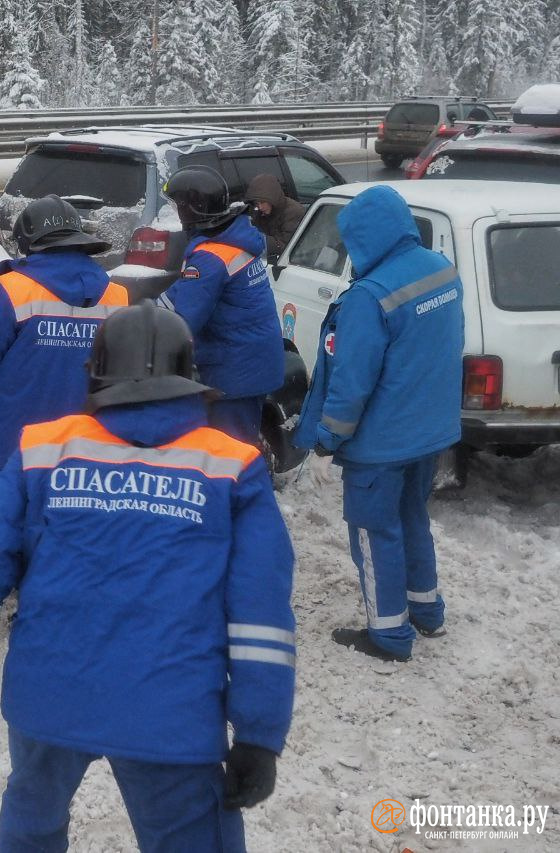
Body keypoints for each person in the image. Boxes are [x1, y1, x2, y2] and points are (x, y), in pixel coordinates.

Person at [0, 303, 296, 852]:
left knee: (31, 821)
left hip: (50, 694)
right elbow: (260, 612)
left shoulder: (42, 450)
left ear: (95, 374)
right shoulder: (231, 466)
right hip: (171, 709)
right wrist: (260, 735)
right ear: (189, 378)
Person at [294, 184, 463, 663]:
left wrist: (327, 438)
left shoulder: (370, 297)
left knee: (373, 530)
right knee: (412, 518)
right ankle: (426, 611)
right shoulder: (441, 270)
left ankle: (387, 635)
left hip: (380, 443)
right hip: (430, 432)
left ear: (365, 237)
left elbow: (351, 382)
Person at [0, 195, 126, 546]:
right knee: (58, 545)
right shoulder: (119, 296)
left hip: (8, 444)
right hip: (81, 449)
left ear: (29, 244)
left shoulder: (13, 291)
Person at [159, 165, 284, 446]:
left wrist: (143, 330)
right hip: (252, 362)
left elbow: (183, 322)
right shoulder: (232, 239)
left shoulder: (210, 258)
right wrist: (147, 307)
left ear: (191, 209)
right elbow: (184, 293)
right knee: (241, 449)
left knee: (228, 456)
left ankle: (241, 490)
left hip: (233, 372)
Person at [244, 174, 306, 260]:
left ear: (273, 198)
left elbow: (286, 246)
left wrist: (259, 239)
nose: (260, 207)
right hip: (267, 260)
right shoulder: (259, 212)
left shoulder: (294, 212)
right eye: (256, 203)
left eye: (262, 202)